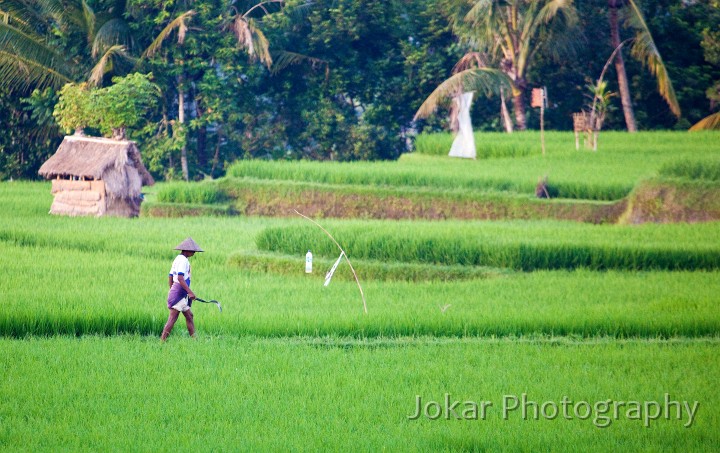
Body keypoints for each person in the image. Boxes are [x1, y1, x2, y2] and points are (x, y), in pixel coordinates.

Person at [161, 237, 204, 341]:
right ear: (186, 250)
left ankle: (195, 340)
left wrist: (172, 290)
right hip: (179, 292)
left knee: (189, 316)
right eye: (192, 250)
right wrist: (190, 292)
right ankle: (162, 341)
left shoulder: (177, 259)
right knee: (172, 319)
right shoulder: (183, 261)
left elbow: (170, 276)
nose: (194, 253)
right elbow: (180, 278)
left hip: (178, 292)